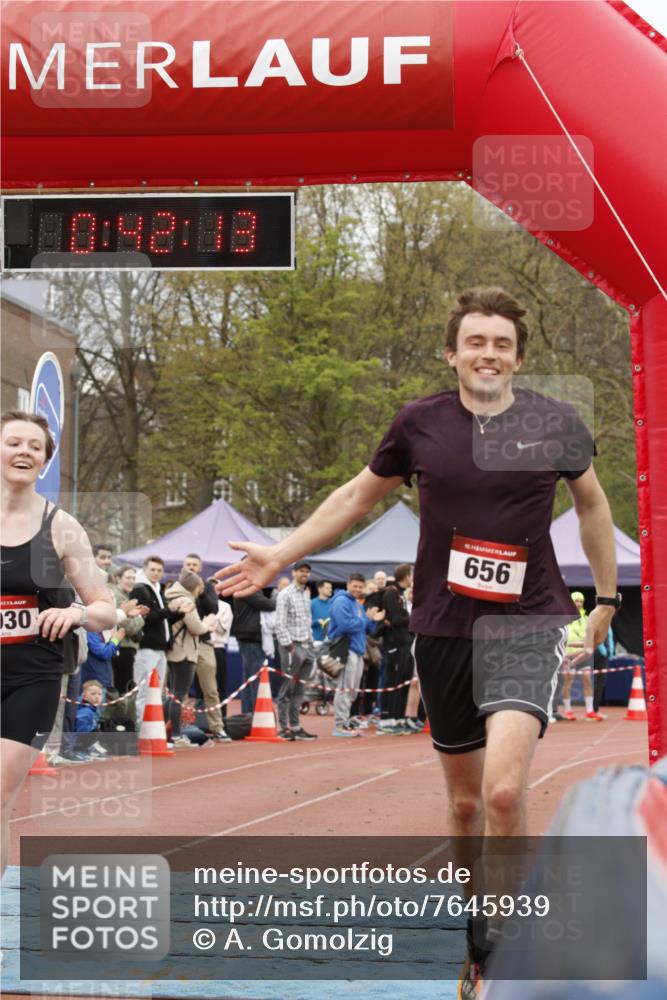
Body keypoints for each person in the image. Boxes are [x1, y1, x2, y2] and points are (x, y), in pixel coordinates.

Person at [215, 287, 619, 996]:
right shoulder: (418, 424)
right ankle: (475, 932)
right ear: (451, 353)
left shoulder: (555, 423)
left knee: (500, 793)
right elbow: (353, 498)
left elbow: (592, 505)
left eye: (500, 343)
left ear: (517, 356)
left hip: (526, 621)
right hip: (440, 625)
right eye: (475, 342)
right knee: (464, 806)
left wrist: (607, 600)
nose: (487, 353)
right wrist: (279, 555)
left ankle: (508, 944)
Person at [1, 410, 116, 877]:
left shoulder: (60, 527)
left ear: (45, 462)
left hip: (31, 678)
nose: (23, 451)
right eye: (14, 442)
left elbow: (107, 608)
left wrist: (77, 613)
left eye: (34, 446)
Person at [130, 555, 192, 726]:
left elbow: (163, 620)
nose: (156, 573)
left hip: (160, 648)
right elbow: (146, 619)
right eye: (153, 570)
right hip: (146, 648)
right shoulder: (140, 589)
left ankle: (152, 729)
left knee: (156, 693)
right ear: (144, 570)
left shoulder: (157, 588)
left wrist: (179, 612)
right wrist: (168, 610)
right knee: (144, 692)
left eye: (159, 570)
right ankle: (141, 729)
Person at [165, 571, 222, 746]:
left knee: (172, 695)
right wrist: (208, 624)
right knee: (178, 696)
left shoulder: (170, 596)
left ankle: (165, 732)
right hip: (185, 652)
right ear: (195, 587)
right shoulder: (186, 600)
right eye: (200, 588)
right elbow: (195, 627)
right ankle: (175, 736)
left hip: (174, 651)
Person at [327, 573, 385, 737]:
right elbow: (345, 625)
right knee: (344, 688)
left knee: (352, 690)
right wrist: (366, 619)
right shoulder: (341, 601)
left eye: (360, 587)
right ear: (348, 584)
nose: (358, 589)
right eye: (355, 586)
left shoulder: (358, 604)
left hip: (358, 650)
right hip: (346, 650)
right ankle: (339, 725)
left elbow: (367, 629)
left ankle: (346, 720)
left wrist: (373, 620)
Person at [181, 554, 228, 740]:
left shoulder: (207, 586)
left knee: (210, 688)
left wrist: (200, 592)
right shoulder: (178, 587)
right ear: (183, 566)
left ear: (199, 568)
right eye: (188, 564)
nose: (191, 567)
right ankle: (181, 725)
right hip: (182, 643)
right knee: (181, 689)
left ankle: (217, 726)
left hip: (204, 643)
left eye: (194, 565)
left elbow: (214, 609)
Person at [275, 561, 317, 741]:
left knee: (300, 689)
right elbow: (280, 624)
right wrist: (291, 648)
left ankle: (296, 725)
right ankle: (284, 727)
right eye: (301, 571)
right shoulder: (285, 594)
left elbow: (307, 620)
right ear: (294, 573)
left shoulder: (306, 594)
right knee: (287, 688)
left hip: (307, 646)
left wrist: (311, 644)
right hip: (292, 646)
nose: (304, 574)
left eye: (307, 572)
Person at [377, 563, 415, 735]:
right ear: (406, 576)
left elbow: (400, 618)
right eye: (412, 574)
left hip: (406, 643)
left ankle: (398, 718)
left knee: (403, 683)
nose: (414, 578)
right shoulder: (391, 592)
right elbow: (395, 618)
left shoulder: (403, 594)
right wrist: (413, 617)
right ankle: (386, 719)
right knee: (392, 682)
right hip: (394, 645)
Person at [561, 592, 605, 722]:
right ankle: (568, 711)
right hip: (568, 655)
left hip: (584, 655)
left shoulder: (587, 619)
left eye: (580, 601)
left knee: (587, 680)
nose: (578, 603)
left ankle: (590, 711)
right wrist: (563, 654)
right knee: (568, 681)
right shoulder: (564, 619)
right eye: (576, 600)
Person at [231, 590, 276, 715]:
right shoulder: (247, 589)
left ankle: (249, 714)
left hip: (250, 636)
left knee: (250, 678)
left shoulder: (246, 588)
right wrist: (281, 597)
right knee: (255, 678)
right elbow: (268, 604)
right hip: (250, 637)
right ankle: (257, 714)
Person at [109, 564, 146, 694]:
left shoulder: (125, 596)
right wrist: (141, 617)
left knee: (126, 686)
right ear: (117, 578)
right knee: (123, 688)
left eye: (133, 578)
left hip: (126, 647)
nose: (131, 581)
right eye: (128, 578)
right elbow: (129, 626)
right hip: (122, 647)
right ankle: (120, 714)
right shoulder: (117, 597)